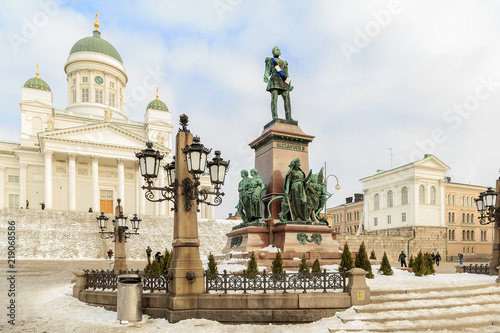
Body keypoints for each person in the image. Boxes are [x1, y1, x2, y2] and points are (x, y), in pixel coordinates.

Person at [263, 46, 294, 121]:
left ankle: (289, 117)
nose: (278, 50)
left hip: (284, 81)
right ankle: (275, 116)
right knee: (274, 99)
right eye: (277, 49)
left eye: (279, 49)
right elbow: (267, 70)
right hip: (275, 80)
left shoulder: (284, 62)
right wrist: (266, 77)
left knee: (287, 100)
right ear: (273, 51)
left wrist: (289, 84)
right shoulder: (271, 60)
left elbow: (286, 73)